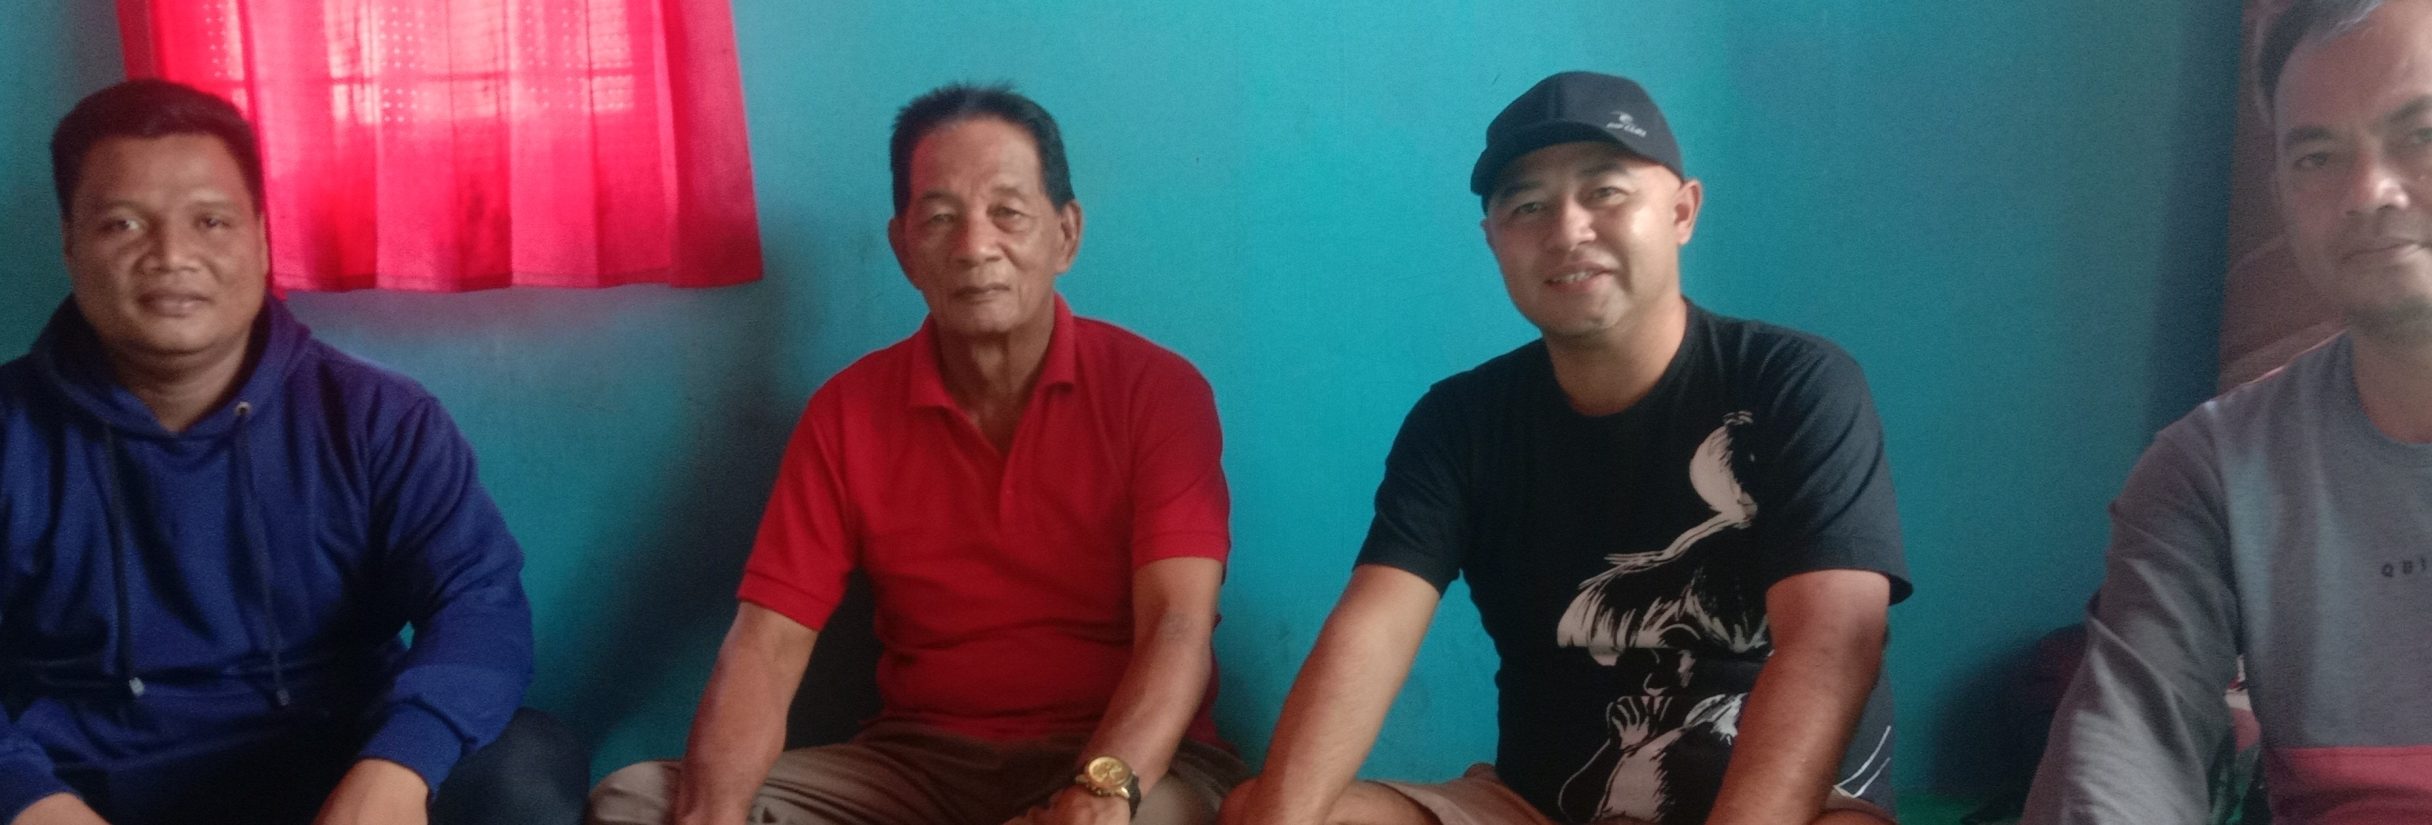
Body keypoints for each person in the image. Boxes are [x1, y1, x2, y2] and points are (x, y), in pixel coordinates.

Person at [1223, 71, 1911, 825]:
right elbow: (1375, 628)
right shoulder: (1461, 421)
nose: (1567, 229)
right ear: (1493, 241)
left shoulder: (1794, 383)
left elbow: (1831, 644)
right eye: (1528, 206)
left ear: (1682, 211)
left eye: (1605, 191)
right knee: (1270, 808)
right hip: (1537, 806)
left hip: (1795, 808)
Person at [587, 82, 1243, 825]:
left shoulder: (1158, 392)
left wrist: (1098, 795)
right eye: (940, 218)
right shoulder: (848, 413)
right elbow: (768, 644)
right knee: (635, 803)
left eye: (1008, 212)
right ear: (903, 247)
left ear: (1065, 235)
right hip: (919, 768)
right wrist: (714, 813)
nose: (974, 247)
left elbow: (1178, 625)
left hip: (1124, 764)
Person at [2022, 0, 2432, 821]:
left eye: (2427, 135)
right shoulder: (2214, 469)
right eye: (2316, 156)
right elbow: (2130, 740)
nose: (2367, 191)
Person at [0, 79, 586, 825]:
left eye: (210, 221)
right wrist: (26, 797)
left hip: (336, 773)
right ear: (70, 242)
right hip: (79, 785)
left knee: (526, 768)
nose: (172, 255)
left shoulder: (377, 418)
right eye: (123, 224)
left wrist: (401, 764)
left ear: (261, 238)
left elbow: (478, 602)